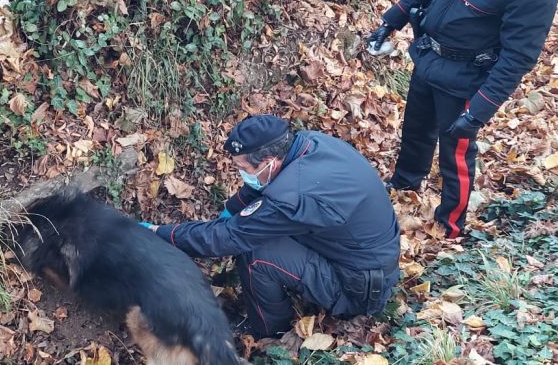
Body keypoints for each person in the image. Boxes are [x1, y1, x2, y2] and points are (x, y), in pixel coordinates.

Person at [367, 0, 558, 239]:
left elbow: (518, 56)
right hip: (429, 56)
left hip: (468, 76)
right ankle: (406, 184)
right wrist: (391, 21)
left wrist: (479, 112)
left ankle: (450, 225)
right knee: (416, 130)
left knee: (455, 151)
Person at [140, 114, 401, 340]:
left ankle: (270, 334)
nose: (239, 172)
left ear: (269, 161)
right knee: (260, 229)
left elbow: (228, 238)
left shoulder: (291, 196)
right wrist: (233, 208)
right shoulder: (308, 144)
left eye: (242, 168)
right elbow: (263, 184)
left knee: (255, 253)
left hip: (357, 288)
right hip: (367, 260)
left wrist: (158, 234)